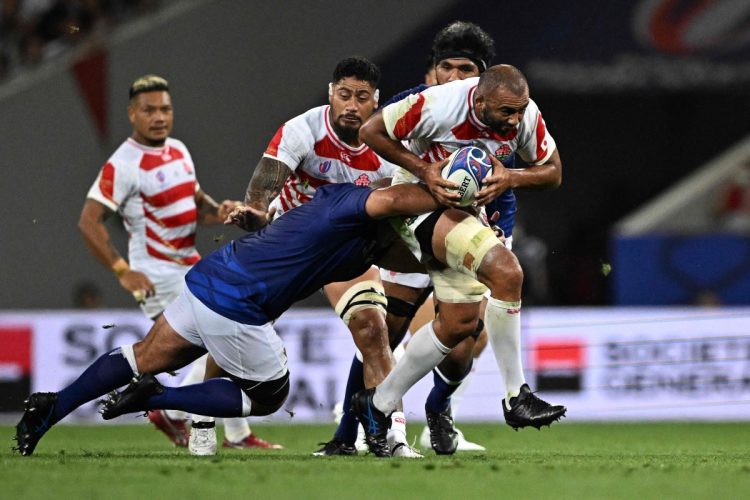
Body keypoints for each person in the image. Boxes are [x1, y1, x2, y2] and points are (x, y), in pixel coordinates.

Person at [13, 181, 442, 457]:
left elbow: (413, 257)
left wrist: (459, 258)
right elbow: (391, 198)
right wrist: (451, 190)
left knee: (143, 354)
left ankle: (52, 407)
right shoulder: (356, 201)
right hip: (237, 304)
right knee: (269, 394)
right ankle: (154, 399)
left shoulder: (360, 238)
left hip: (208, 279)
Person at [352, 64, 567, 456]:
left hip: (463, 214)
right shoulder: (439, 105)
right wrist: (424, 170)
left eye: (520, 111)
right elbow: (370, 132)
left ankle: (377, 404)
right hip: (415, 199)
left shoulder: (524, 113)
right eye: (506, 112)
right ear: (479, 101)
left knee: (458, 325)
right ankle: (515, 395)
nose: (515, 120)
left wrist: (512, 177)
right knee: (507, 271)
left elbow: (553, 172)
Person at [77, 74, 280, 454]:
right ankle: (178, 413)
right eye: (149, 110)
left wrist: (217, 210)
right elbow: (89, 221)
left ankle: (233, 434)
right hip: (155, 272)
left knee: (225, 341)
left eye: (165, 109)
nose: (159, 117)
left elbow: (194, 201)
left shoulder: (178, 150)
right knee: (224, 337)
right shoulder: (123, 163)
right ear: (132, 114)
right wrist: (123, 270)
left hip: (189, 266)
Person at [329, 20, 502, 455]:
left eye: (467, 69)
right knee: (382, 335)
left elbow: (506, 178)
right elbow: (371, 158)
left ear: (482, 74)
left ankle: (439, 416)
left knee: (467, 339)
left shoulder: (499, 112)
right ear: (435, 70)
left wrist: (505, 229)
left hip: (469, 234)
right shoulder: (410, 106)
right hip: (410, 235)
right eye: (448, 67)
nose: (456, 78)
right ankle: (346, 434)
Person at [241, 56, 419, 458]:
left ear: (376, 101)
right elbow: (262, 187)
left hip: (345, 251)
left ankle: (394, 438)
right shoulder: (303, 129)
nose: (351, 106)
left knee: (375, 333)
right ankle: (201, 424)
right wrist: (254, 212)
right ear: (330, 95)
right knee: (234, 322)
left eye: (361, 97)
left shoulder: (389, 150)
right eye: (343, 95)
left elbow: (402, 205)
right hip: (288, 245)